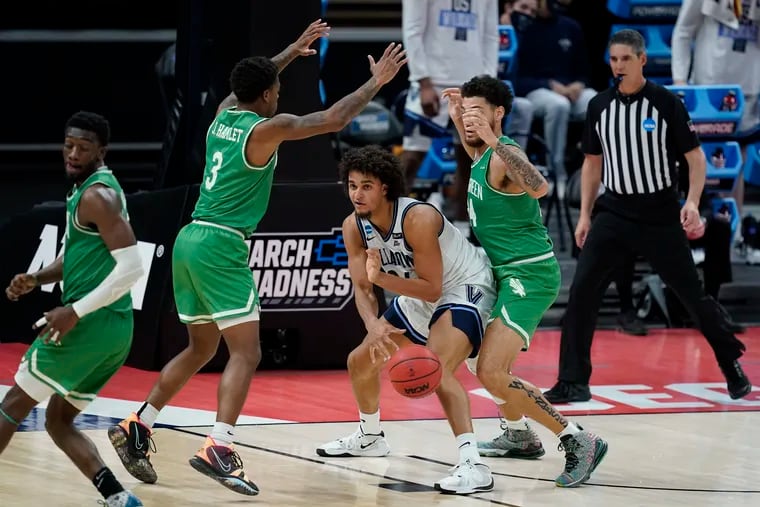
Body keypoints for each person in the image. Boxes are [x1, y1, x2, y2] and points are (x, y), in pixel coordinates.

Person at [107, 20, 407, 496]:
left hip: (189, 238)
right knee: (247, 352)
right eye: (278, 88)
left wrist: (290, 49)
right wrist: (378, 81)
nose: (280, 94)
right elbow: (332, 119)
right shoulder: (268, 128)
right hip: (222, 243)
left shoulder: (222, 113)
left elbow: (251, 81)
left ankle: (138, 424)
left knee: (201, 348)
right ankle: (219, 446)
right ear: (268, 94)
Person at [543, 29, 752, 405]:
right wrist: (585, 215)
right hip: (614, 210)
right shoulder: (598, 106)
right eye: (613, 59)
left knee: (692, 295)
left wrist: (691, 201)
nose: (618, 66)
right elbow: (593, 164)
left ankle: (730, 362)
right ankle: (573, 381)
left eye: (625, 58)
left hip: (658, 213)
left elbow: (695, 159)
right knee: (582, 292)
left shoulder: (666, 103)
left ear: (642, 60)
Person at [442, 75, 607, 488]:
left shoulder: (504, 153)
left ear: (499, 114)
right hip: (506, 272)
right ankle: (518, 434)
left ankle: (578, 439)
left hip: (528, 275)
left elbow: (539, 186)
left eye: (478, 112)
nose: (469, 120)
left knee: (493, 371)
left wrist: (494, 139)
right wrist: (456, 115)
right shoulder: (481, 155)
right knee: (478, 361)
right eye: (466, 112)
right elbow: (474, 146)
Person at [315, 145, 498, 495]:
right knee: (360, 362)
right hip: (415, 293)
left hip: (463, 287)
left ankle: (474, 464)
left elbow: (432, 289)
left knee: (438, 368)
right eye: (352, 185)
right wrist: (372, 322)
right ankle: (370, 436)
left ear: (385, 187)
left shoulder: (418, 218)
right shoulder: (354, 226)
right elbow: (361, 286)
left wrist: (381, 280)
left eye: (366, 185)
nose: (357, 193)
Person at [1, 112, 144, 507]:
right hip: (114, 331)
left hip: (88, 326)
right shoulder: (87, 192)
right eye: (69, 145)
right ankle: (117, 497)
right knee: (58, 420)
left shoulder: (98, 195)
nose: (74, 153)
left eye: (84, 147)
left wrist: (75, 311)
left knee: (12, 405)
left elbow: (133, 268)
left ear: (102, 150)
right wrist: (37, 277)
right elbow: (76, 256)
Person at [401, 0, 534, 235]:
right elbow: (412, 29)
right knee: (411, 157)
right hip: (432, 81)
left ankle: (464, 229)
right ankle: (391, 224)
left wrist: (485, 85)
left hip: (471, 83)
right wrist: (422, 81)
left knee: (471, 160)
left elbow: (490, 35)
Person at [671, 0, 760, 217]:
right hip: (709, 90)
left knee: (736, 161)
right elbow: (683, 30)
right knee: (702, 159)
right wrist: (680, 79)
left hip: (749, 87)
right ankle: (697, 228)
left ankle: (732, 235)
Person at [513, 0, 597, 186]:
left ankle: (597, 173)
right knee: (558, 105)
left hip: (569, 91)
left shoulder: (570, 27)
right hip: (536, 91)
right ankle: (556, 173)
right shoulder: (524, 28)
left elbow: (584, 70)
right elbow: (518, 78)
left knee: (597, 102)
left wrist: (579, 84)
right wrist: (549, 85)